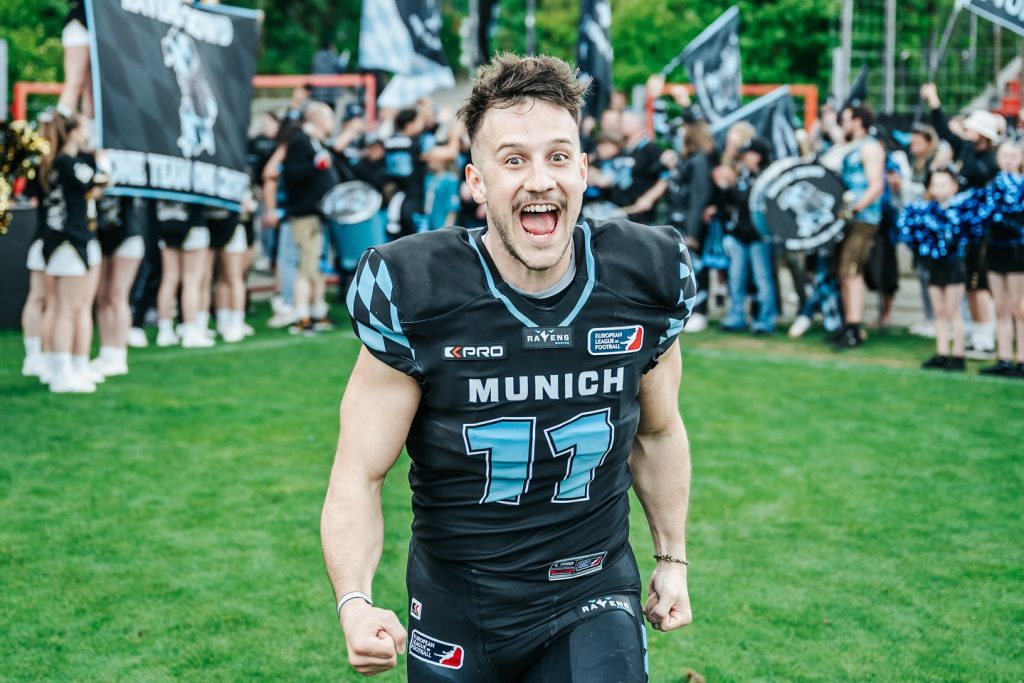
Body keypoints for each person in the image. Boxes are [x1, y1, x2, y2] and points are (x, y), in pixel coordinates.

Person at [321, 53, 696, 681]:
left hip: (592, 588)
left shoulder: (642, 276)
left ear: (582, 169)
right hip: (457, 600)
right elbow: (359, 472)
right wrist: (354, 603)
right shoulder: (418, 290)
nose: (539, 179)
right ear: (476, 180)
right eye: (513, 159)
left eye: (557, 156)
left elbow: (657, 432)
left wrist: (673, 558)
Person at [922, 84, 1000, 357]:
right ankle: (977, 334)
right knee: (970, 283)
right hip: (965, 231)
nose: (966, 132)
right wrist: (934, 102)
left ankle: (985, 336)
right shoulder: (968, 150)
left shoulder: (990, 161)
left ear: (983, 135)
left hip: (984, 231)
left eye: (971, 129)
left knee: (979, 285)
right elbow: (943, 130)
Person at [897, 166, 976, 371]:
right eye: (935, 184)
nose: (939, 189)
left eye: (943, 184)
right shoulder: (926, 211)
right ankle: (942, 352)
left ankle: (958, 355)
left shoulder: (960, 211)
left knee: (953, 311)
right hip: (935, 265)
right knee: (938, 312)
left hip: (954, 265)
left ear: (954, 186)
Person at [280, 102, 338, 335]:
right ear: (318, 119)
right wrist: (315, 165)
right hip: (305, 214)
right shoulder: (299, 140)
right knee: (307, 265)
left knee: (316, 265)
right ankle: (301, 316)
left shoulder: (315, 141)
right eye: (330, 117)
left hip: (317, 213)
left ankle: (317, 312)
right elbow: (291, 173)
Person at [833, 103, 885, 349]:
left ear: (858, 121)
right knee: (844, 272)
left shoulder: (871, 148)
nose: (843, 123)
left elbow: (876, 186)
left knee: (852, 273)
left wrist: (854, 209)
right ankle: (847, 324)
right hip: (849, 218)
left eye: (846, 119)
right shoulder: (852, 146)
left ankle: (854, 328)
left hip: (864, 218)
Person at [979, 141, 1024, 377]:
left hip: (1017, 251)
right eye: (1004, 155)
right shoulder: (992, 187)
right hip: (996, 249)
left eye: (1013, 155)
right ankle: (1004, 357)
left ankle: (1022, 359)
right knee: (1001, 307)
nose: (1008, 159)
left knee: (1019, 308)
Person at [93, 195, 144, 375]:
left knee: (117, 296)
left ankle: (118, 354)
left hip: (128, 235)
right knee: (102, 297)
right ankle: (106, 351)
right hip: (101, 235)